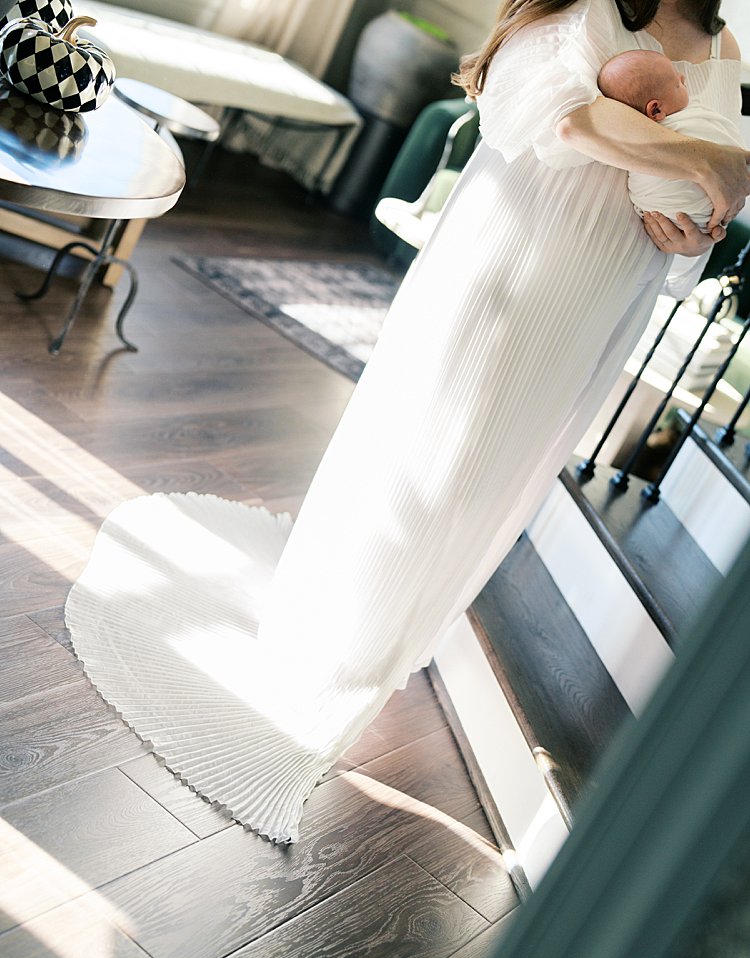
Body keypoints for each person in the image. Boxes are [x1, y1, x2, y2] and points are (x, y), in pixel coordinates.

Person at [65, 0, 750, 844]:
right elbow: (555, 118)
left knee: (493, 482)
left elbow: (703, 211)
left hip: (609, 291)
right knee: (430, 461)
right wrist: (709, 156)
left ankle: (381, 638)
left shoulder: (727, 47)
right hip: (515, 258)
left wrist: (695, 226)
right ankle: (335, 645)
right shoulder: (585, 9)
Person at [597, 47, 744, 230]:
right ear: (656, 110)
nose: (683, 78)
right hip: (711, 212)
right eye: (677, 83)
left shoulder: (629, 143)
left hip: (661, 215)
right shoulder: (687, 123)